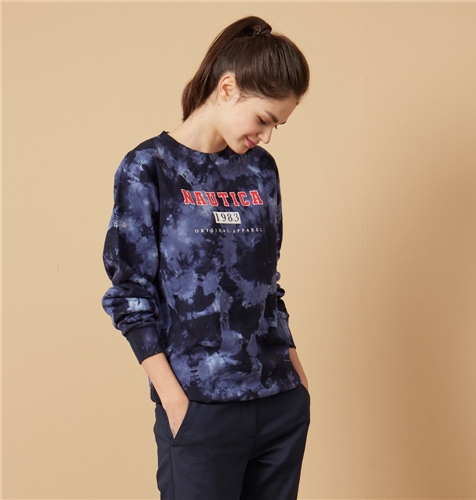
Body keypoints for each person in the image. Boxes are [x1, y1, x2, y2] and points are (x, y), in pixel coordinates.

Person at [102, 15, 310, 500]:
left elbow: (266, 284)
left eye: (277, 125)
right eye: (264, 119)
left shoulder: (261, 171)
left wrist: (296, 373)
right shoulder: (148, 168)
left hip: (278, 403)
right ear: (228, 88)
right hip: (200, 408)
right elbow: (130, 294)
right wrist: (174, 400)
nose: (267, 136)